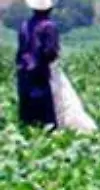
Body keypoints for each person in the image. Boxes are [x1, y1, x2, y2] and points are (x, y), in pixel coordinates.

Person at [15, 0, 60, 128]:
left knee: (26, 109)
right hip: (39, 72)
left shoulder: (25, 25)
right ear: (49, 9)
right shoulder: (49, 26)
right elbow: (50, 51)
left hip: (23, 71)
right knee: (44, 112)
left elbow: (21, 48)